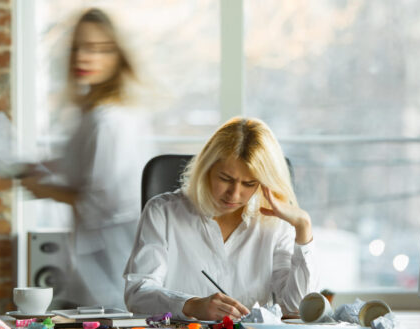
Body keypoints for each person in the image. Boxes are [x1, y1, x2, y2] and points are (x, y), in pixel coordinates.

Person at [123, 117, 319, 320]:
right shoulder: (162, 212)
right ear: (206, 169)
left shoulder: (275, 223)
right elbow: (138, 293)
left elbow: (296, 308)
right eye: (225, 179)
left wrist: (303, 228)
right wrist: (190, 305)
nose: (234, 194)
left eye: (249, 183)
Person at [21, 8, 153, 309]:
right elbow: (79, 163)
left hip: (114, 262)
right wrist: (42, 168)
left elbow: (105, 200)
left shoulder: (111, 120)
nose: (83, 58)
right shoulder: (90, 113)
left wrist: (45, 190)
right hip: (89, 263)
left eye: (97, 49)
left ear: (116, 56)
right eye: (78, 48)